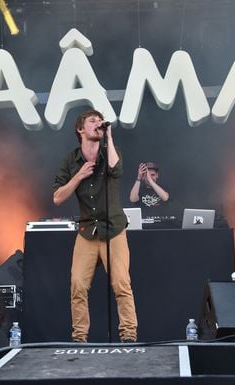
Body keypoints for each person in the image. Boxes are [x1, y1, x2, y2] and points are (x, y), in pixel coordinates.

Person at [52, 110, 137, 343]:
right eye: (93, 121)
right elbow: (57, 198)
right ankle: (80, 338)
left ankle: (129, 336)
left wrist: (108, 136)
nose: (98, 124)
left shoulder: (110, 151)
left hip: (114, 230)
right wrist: (78, 176)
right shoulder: (71, 160)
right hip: (87, 232)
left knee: (121, 283)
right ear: (81, 129)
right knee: (78, 284)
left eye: (100, 121)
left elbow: (116, 170)